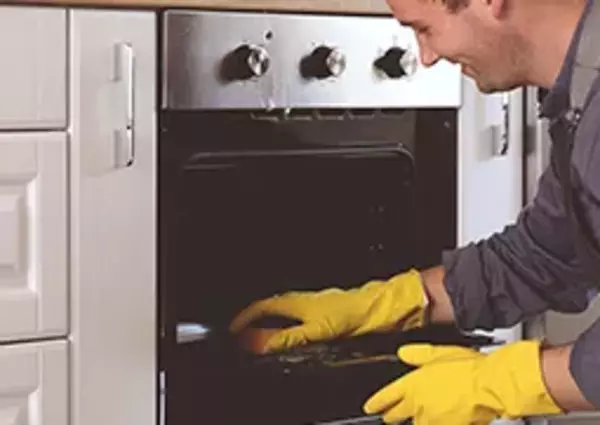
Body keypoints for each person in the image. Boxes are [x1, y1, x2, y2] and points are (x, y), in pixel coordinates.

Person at [229, 0, 600, 423]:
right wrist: (383, 305)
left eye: (424, 29)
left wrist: (504, 382)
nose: (426, 56)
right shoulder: (580, 95)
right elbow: (547, 256)